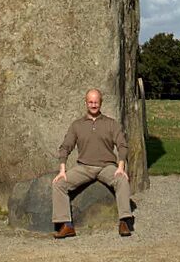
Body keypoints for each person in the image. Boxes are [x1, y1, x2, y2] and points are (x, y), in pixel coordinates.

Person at [52, 88, 134, 238]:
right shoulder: (77, 125)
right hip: (84, 167)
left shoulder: (111, 124)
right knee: (59, 184)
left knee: (122, 179)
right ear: (86, 103)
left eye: (96, 102)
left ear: (101, 103)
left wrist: (121, 167)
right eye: (90, 102)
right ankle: (66, 225)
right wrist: (62, 170)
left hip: (107, 167)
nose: (93, 104)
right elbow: (65, 147)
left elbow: (122, 145)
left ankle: (124, 221)